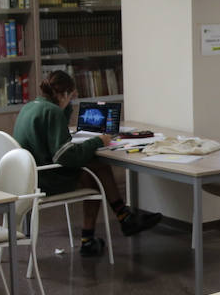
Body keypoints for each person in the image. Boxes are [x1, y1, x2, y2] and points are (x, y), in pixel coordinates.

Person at [12, 70, 160, 258]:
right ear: (64, 94)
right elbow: (65, 156)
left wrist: (65, 108)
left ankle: (118, 221)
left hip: (28, 177)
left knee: (94, 166)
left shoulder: (32, 106)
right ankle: (114, 222)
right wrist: (98, 141)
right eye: (71, 97)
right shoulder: (52, 111)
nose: (71, 101)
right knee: (94, 172)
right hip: (46, 181)